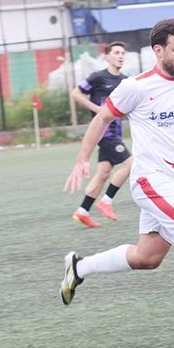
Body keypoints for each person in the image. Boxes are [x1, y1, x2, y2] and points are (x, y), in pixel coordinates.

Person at [61, 19, 174, 331]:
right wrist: (81, 160)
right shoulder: (136, 87)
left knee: (147, 257)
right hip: (149, 180)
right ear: (158, 50)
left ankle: (79, 267)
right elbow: (102, 119)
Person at [70, 41, 132, 228]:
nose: (120, 56)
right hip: (104, 133)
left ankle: (83, 211)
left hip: (116, 133)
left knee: (104, 173)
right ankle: (106, 201)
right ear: (107, 56)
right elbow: (75, 93)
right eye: (116, 53)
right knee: (132, 164)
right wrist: (97, 109)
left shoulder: (126, 81)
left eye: (123, 53)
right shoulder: (98, 77)